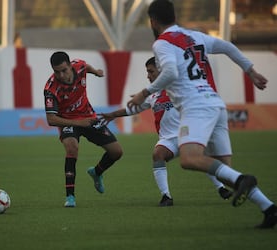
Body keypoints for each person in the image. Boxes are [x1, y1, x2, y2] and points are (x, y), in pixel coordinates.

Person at [127, 0, 276, 228]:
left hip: (196, 106)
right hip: (215, 104)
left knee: (190, 159)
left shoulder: (162, 43)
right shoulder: (194, 36)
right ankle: (270, 209)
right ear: (174, 16)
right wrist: (250, 70)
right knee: (225, 171)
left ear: (153, 21)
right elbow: (227, 46)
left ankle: (244, 180)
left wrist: (144, 92)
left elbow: (170, 71)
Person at [101, 57, 232, 206]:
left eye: (150, 71)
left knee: (201, 158)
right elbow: (132, 110)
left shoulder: (179, 87)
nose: (148, 75)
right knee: (158, 154)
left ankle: (222, 188)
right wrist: (112, 115)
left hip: (187, 133)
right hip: (169, 139)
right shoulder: (152, 95)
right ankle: (166, 197)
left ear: (161, 71)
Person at [44, 51, 123, 208]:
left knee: (116, 152)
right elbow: (51, 120)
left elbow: (85, 67)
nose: (61, 75)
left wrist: (96, 72)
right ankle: (70, 197)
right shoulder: (51, 88)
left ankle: (96, 172)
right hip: (68, 121)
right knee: (72, 148)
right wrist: (80, 123)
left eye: (64, 70)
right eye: (56, 71)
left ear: (70, 66)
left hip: (88, 115)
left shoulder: (79, 66)